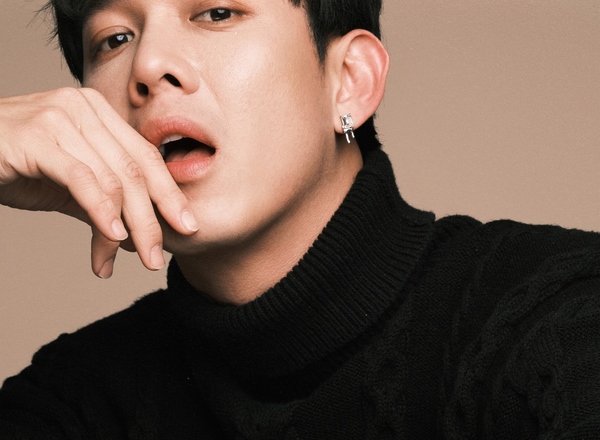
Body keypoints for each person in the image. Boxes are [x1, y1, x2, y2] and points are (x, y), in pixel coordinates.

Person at [1, 0, 599, 438]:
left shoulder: (560, 315)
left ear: (349, 83)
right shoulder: (73, 398)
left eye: (217, 13)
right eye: (113, 39)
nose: (149, 65)